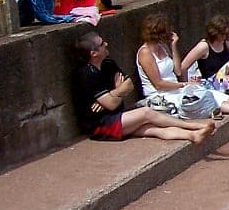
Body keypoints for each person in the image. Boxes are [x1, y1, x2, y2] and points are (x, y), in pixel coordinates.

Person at [136, 13, 229, 136]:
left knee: (212, 93)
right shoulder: (145, 53)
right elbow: (159, 84)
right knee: (206, 98)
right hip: (161, 95)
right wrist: (186, 84)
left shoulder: (162, 47)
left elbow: (178, 71)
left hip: (176, 89)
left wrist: (173, 46)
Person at [72, 32, 215, 144]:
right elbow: (111, 104)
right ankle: (194, 126)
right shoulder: (86, 74)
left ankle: (193, 136)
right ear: (94, 53)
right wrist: (117, 92)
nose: (107, 44)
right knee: (147, 113)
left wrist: (113, 94)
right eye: (102, 44)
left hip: (117, 116)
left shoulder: (108, 63)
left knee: (153, 128)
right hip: (101, 126)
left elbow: (129, 86)